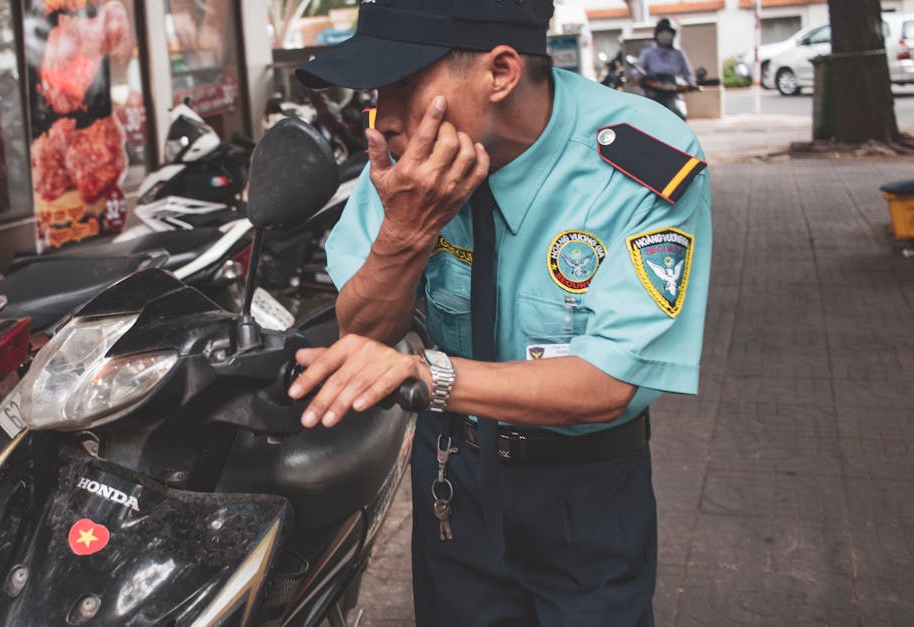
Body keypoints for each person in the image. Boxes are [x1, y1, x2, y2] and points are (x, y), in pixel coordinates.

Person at [285, 0, 712, 625]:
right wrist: (405, 233)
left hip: (584, 491)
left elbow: (608, 384)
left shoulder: (641, 163)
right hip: (453, 479)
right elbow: (365, 336)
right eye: (378, 90)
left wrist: (425, 375)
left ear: (502, 71)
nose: (385, 117)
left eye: (405, 84)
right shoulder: (405, 170)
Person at [636, 18, 697, 112]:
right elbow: (637, 70)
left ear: (673, 35)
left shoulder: (679, 54)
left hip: (675, 97)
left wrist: (691, 83)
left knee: (680, 118)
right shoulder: (647, 53)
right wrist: (639, 77)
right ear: (656, 34)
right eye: (662, 32)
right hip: (653, 98)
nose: (665, 35)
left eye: (668, 32)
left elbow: (688, 74)